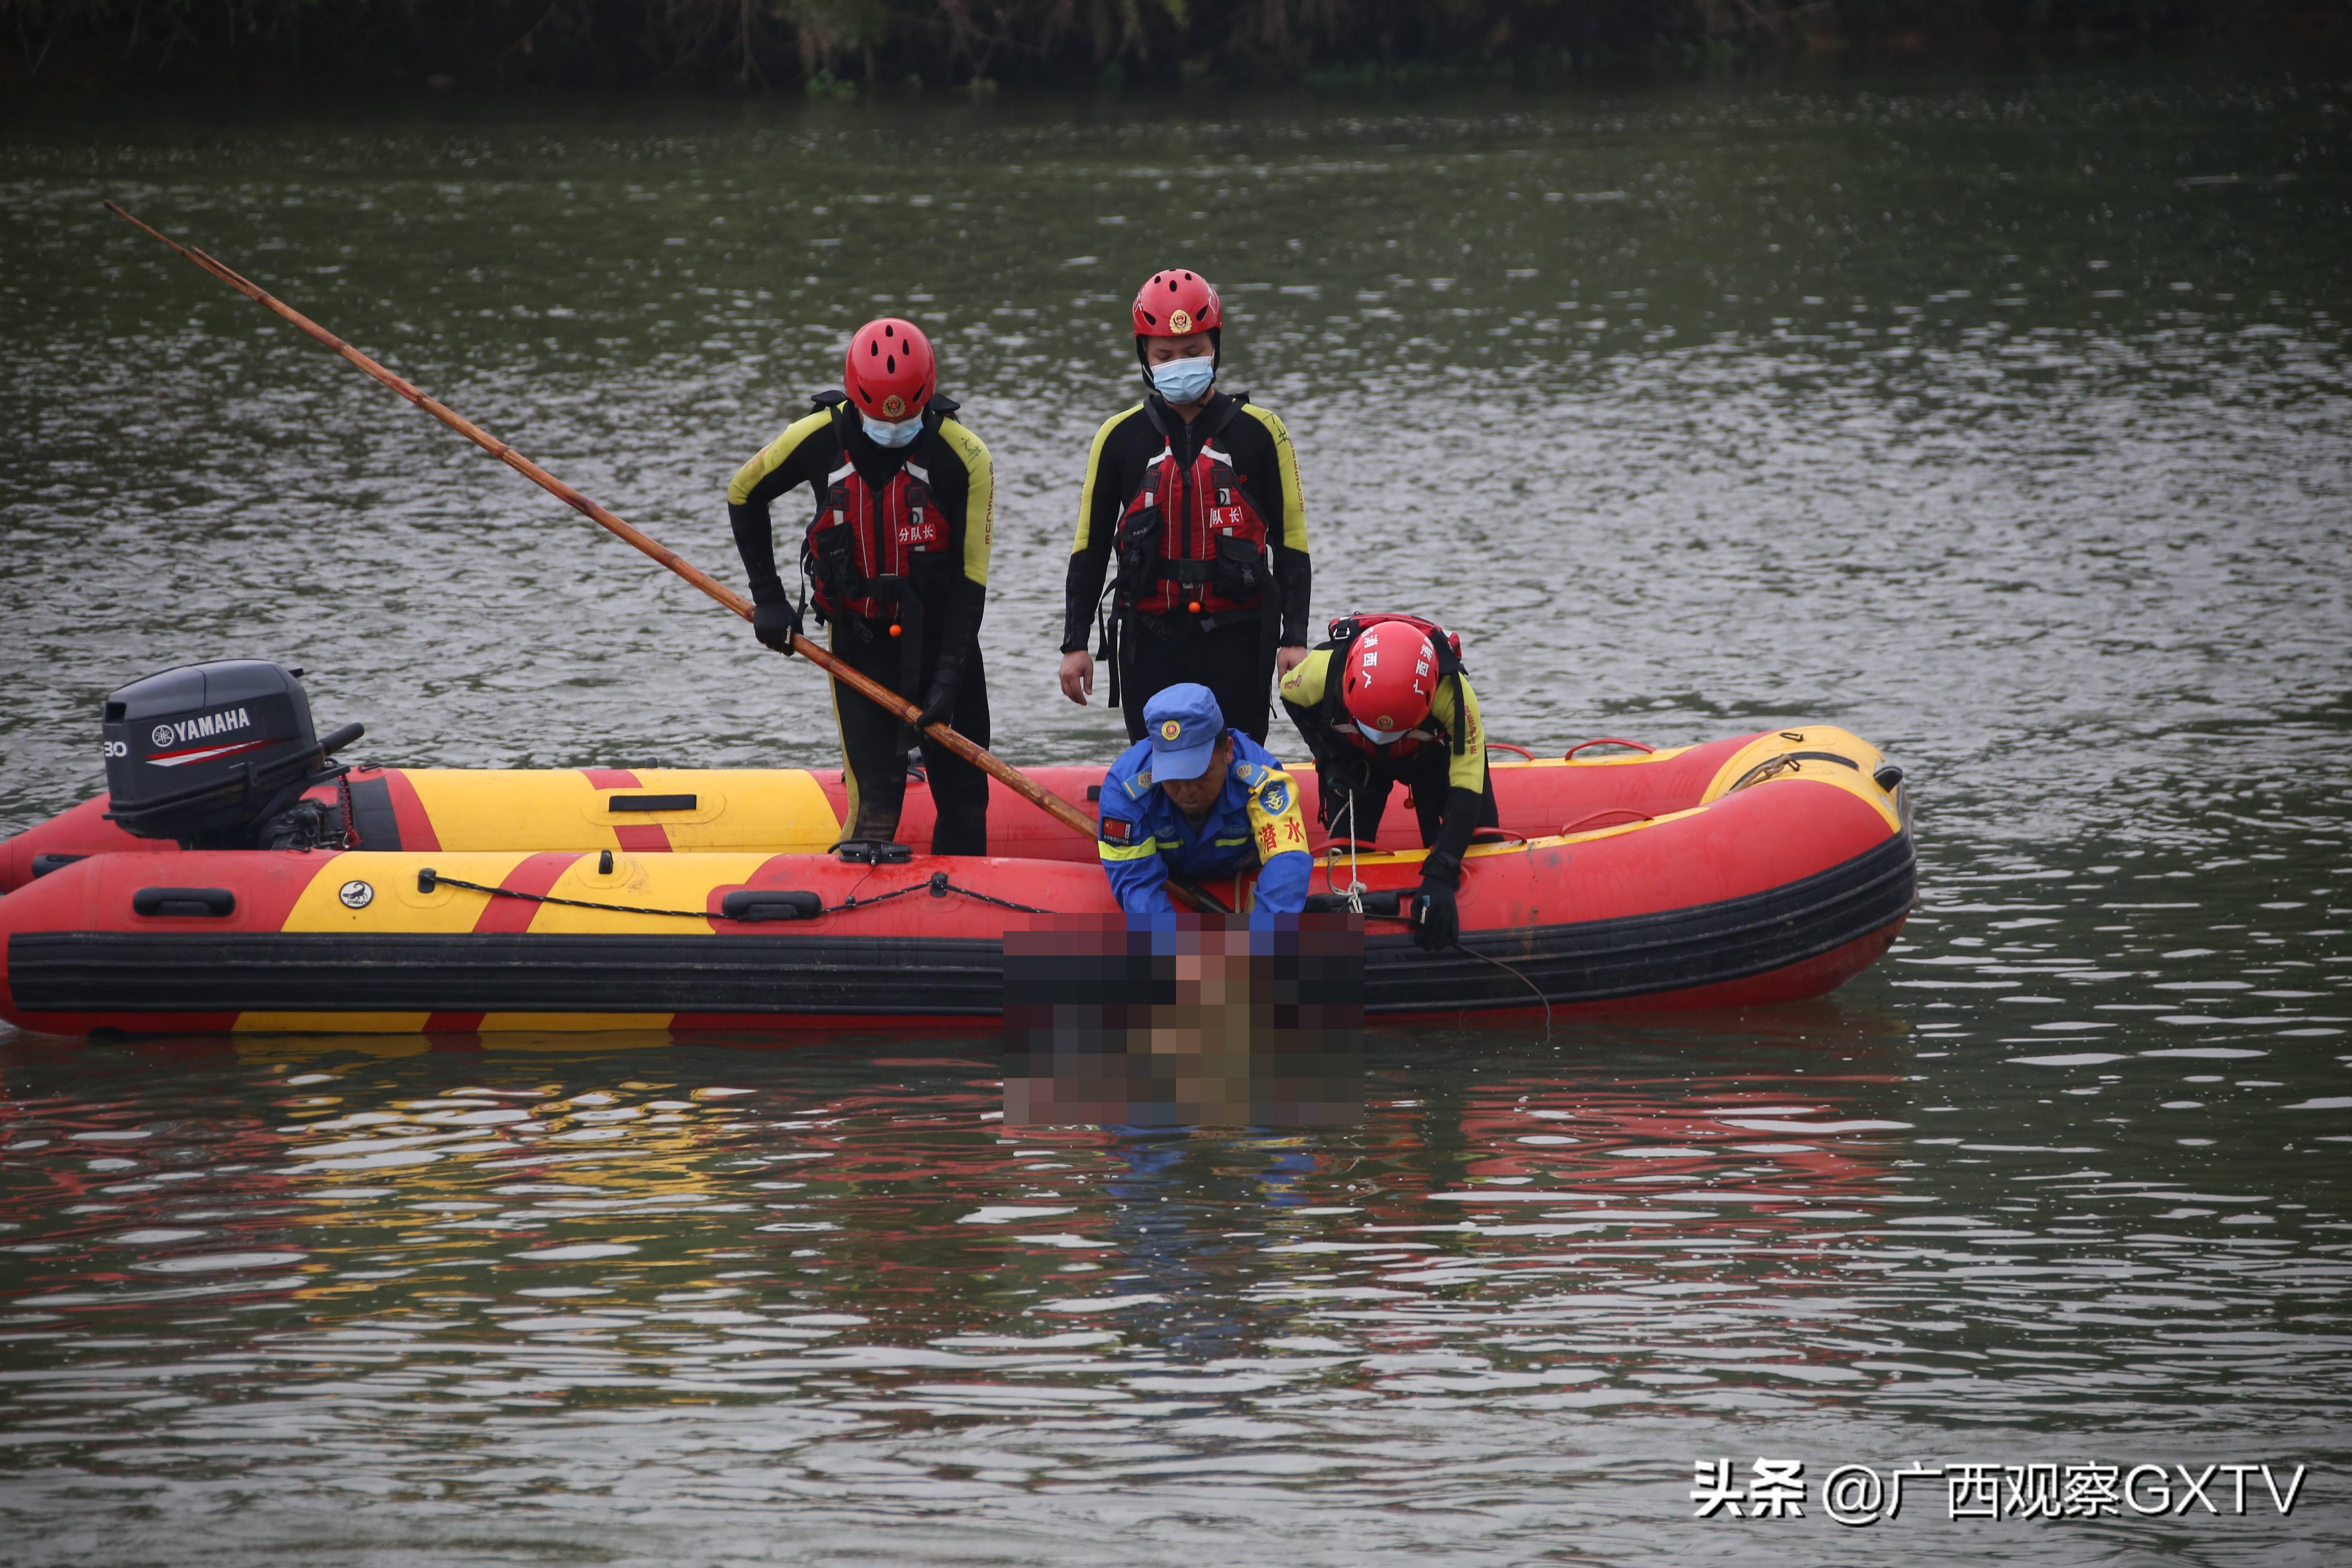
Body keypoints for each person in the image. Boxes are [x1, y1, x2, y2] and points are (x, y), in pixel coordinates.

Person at [725, 317, 994, 855]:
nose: (892, 428)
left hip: (945, 644)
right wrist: (769, 598)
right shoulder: (816, 437)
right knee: (877, 804)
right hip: (860, 647)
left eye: (907, 415)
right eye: (876, 414)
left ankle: (960, 923)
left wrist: (946, 679)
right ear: (854, 398)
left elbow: (971, 581)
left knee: (966, 801)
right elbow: (743, 493)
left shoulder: (965, 457)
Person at [1057, 268, 1311, 745]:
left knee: (1236, 769)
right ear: (1145, 358)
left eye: (1194, 352)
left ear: (1215, 347)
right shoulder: (1117, 438)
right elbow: (1089, 548)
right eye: (1165, 355)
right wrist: (1075, 644)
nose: (1180, 363)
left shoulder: (1263, 432)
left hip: (1239, 636)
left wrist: (1293, 639)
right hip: (1148, 639)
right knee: (1160, 768)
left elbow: (1291, 542)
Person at [1279, 613, 1497, 951]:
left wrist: (1443, 871)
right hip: (1357, 760)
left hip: (1427, 758)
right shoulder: (1320, 673)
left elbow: (1467, 788)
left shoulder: (1454, 697)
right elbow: (1289, 696)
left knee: (1480, 838)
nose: (1382, 739)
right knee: (1348, 847)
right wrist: (1328, 757)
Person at [1096, 683, 1312, 916]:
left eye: (1200, 773)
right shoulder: (1125, 792)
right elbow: (1137, 886)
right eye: (1173, 777)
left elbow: (1287, 861)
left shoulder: (1263, 782)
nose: (1188, 790)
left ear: (1227, 751)